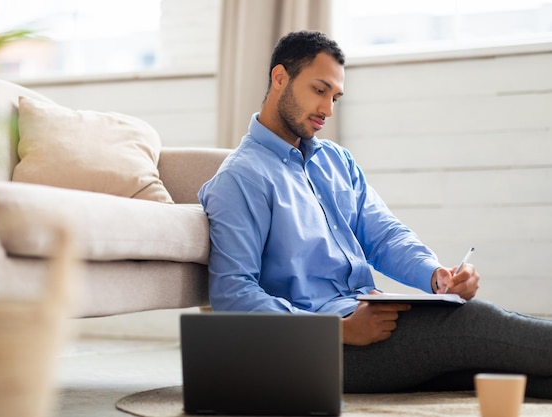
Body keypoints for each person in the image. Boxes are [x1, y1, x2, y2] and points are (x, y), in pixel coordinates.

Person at [198, 30, 552, 398]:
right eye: (319, 91)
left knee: (501, 371)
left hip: (371, 317)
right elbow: (233, 293)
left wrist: (437, 277)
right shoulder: (240, 178)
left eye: (335, 97)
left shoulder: (336, 161)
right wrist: (337, 330)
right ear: (280, 78)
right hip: (322, 349)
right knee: (475, 324)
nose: (328, 110)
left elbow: (383, 235)